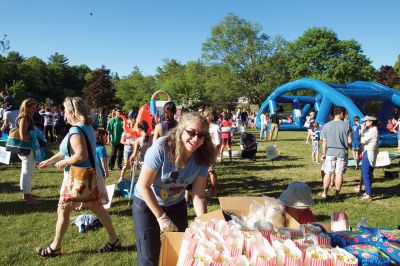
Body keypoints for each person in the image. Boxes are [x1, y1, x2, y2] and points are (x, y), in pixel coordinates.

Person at [36, 97, 120, 257]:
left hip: (77, 179)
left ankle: (55, 247)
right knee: (97, 208)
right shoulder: (86, 126)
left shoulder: (75, 131)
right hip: (89, 176)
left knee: (63, 210)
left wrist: (64, 163)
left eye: (65, 111)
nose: (63, 114)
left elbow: (81, 155)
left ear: (73, 112)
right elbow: (69, 150)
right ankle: (114, 239)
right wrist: (50, 160)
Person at [132, 112, 215, 266]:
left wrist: (203, 222)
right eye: (191, 132)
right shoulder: (161, 148)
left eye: (201, 135)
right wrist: (161, 217)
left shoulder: (203, 157)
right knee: (148, 256)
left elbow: (198, 195)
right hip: (146, 203)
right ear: (180, 130)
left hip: (175, 205)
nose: (196, 139)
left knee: (180, 251)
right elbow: (143, 186)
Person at [320, 106, 352, 199]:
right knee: (339, 173)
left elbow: (324, 141)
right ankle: (337, 195)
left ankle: (325, 193)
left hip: (329, 152)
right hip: (342, 152)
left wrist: (323, 153)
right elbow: (350, 141)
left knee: (328, 173)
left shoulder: (326, 125)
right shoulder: (347, 125)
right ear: (342, 114)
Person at [15, 98, 41, 204]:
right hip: (27, 149)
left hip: (26, 149)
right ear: (28, 107)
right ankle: (28, 197)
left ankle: (26, 194)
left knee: (26, 172)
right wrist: (35, 137)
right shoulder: (24, 118)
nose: (36, 109)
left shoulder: (27, 118)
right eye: (34, 107)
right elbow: (23, 136)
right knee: (27, 173)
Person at [359, 116, 379, 201]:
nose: (364, 123)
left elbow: (362, 141)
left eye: (366, 121)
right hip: (370, 153)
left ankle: (368, 195)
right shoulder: (372, 130)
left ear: (371, 122)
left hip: (368, 153)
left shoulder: (373, 131)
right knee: (369, 173)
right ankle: (368, 191)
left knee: (365, 174)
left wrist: (362, 131)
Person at [204, 108, 221, 197]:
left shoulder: (215, 127)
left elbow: (218, 142)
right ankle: (205, 188)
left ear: (211, 116)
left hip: (211, 153)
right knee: (204, 171)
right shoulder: (205, 127)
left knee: (211, 171)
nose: (204, 117)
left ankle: (214, 190)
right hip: (204, 152)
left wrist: (215, 154)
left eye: (206, 116)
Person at [118, 118, 136, 183]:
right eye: (132, 124)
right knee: (126, 164)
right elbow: (121, 141)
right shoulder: (125, 132)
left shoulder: (136, 131)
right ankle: (121, 177)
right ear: (129, 124)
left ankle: (132, 178)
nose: (133, 125)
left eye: (134, 124)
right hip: (127, 150)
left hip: (134, 150)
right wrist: (128, 143)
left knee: (133, 165)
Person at [107, 107, 124, 171]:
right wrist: (109, 138)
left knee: (120, 153)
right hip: (114, 139)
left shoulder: (123, 120)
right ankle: (111, 166)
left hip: (121, 140)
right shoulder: (112, 120)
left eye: (120, 111)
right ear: (115, 112)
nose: (119, 112)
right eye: (118, 111)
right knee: (113, 153)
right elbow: (109, 130)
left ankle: (119, 165)